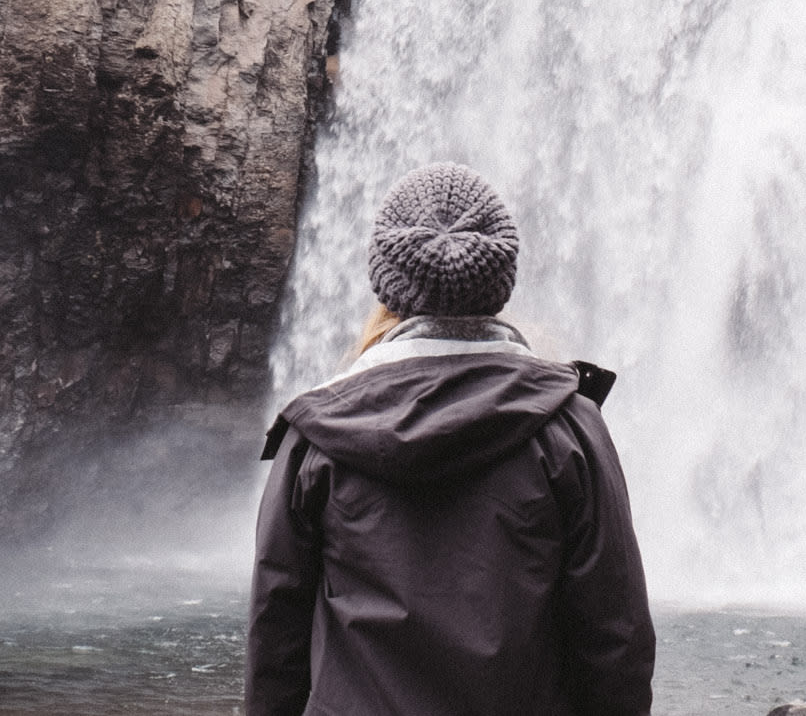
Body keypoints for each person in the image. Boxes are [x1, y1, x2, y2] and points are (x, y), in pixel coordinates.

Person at [246, 162, 655, 716]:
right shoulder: (569, 428)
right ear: (500, 279)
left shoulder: (315, 436)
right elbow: (617, 638)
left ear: (387, 281)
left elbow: (276, 645)